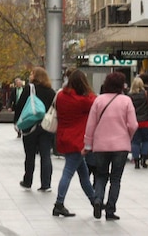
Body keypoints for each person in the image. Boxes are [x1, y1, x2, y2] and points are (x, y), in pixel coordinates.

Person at [82, 71, 138, 221]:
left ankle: (98, 200)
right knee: (115, 179)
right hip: (121, 146)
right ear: (122, 85)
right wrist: (128, 137)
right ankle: (110, 209)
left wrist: (88, 144)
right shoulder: (126, 101)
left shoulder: (99, 101)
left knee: (101, 176)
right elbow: (133, 124)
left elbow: (90, 125)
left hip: (101, 145)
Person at [51, 69, 96, 217]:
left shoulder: (61, 96)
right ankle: (59, 203)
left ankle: (94, 201)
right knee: (68, 172)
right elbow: (95, 100)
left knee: (83, 174)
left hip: (64, 137)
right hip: (77, 141)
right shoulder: (84, 101)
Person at [14, 66, 57, 192]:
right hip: (46, 126)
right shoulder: (51, 91)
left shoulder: (29, 88)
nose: (30, 76)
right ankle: (46, 183)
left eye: (32, 73)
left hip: (30, 126)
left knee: (30, 155)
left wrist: (17, 123)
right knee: (45, 155)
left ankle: (28, 181)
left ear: (36, 76)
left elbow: (20, 106)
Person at [128, 76, 148, 169]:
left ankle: (136, 161)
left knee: (135, 142)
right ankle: (144, 159)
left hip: (134, 121)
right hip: (146, 121)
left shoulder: (129, 96)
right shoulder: (146, 94)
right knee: (146, 141)